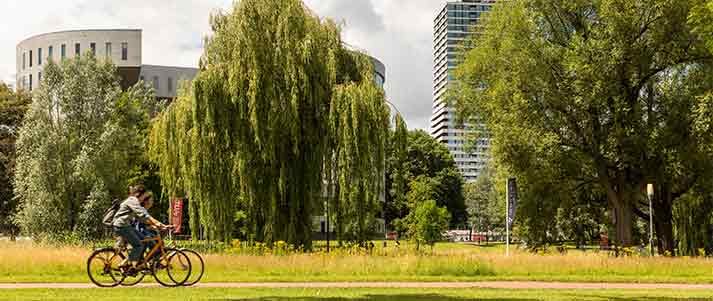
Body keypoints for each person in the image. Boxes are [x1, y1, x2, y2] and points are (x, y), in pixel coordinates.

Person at [112, 185, 168, 269]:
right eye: (144, 196)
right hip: (121, 226)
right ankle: (124, 264)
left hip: (125, 225)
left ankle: (138, 264)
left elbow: (142, 218)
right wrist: (158, 224)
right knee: (138, 246)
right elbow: (145, 215)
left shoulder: (134, 202)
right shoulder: (133, 201)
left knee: (144, 240)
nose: (144, 199)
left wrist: (158, 224)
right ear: (138, 194)